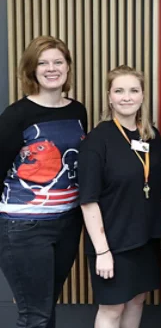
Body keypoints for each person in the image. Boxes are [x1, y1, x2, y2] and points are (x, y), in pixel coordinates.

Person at [0, 35, 87, 327]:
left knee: (46, 307)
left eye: (58, 61)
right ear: (32, 70)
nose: (51, 68)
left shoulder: (77, 110)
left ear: (68, 67)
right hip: (24, 227)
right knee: (35, 315)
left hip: (67, 223)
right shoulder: (16, 115)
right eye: (43, 63)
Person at [78, 65, 161, 328]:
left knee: (137, 300)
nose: (127, 97)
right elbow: (88, 200)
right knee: (112, 308)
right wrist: (102, 251)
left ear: (142, 96)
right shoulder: (97, 140)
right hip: (112, 243)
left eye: (133, 90)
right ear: (109, 96)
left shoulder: (152, 136)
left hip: (145, 239)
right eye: (119, 91)